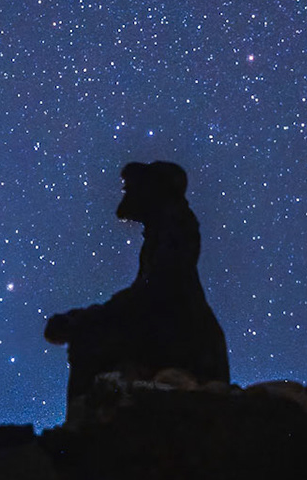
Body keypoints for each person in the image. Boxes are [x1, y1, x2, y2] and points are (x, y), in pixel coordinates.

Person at [44, 160, 230, 402]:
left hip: (182, 336)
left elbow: (156, 291)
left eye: (131, 188)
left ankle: (80, 431)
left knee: (88, 341)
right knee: (90, 337)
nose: (126, 195)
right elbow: (148, 291)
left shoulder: (175, 224)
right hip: (174, 330)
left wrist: (87, 317)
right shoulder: (165, 228)